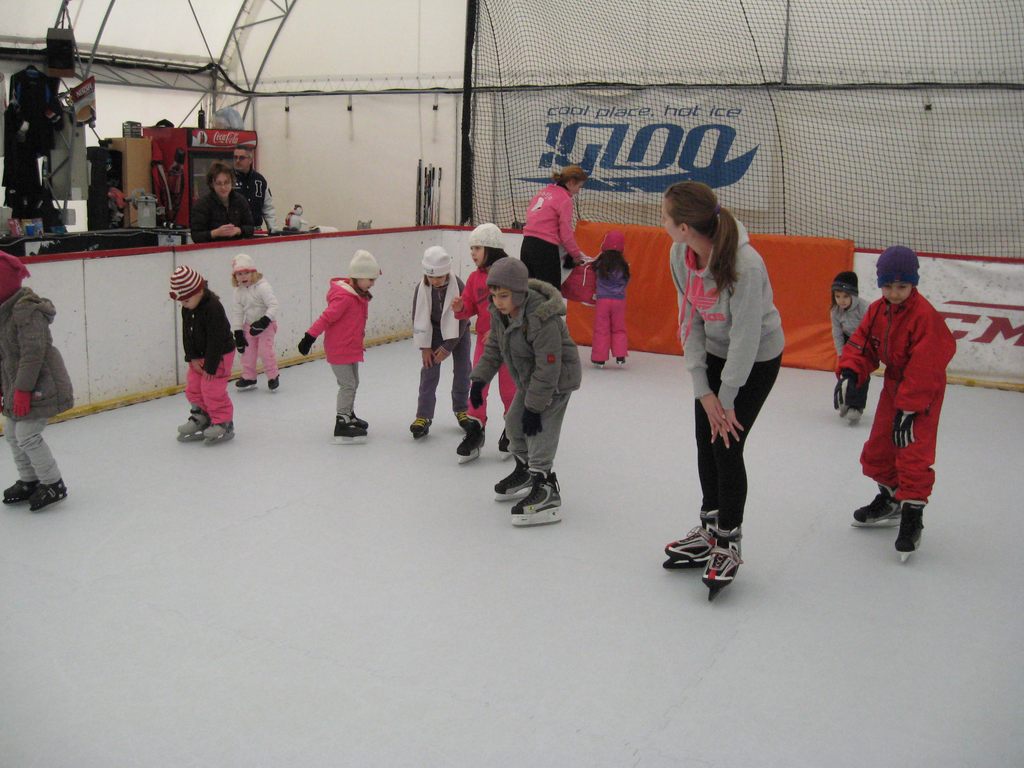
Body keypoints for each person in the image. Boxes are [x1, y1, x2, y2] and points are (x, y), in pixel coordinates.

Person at [660, 181, 785, 601]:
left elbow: (747, 338)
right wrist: (703, 389)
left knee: (726, 442)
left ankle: (729, 541)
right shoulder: (679, 254)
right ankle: (710, 526)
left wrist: (726, 398)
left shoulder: (745, 265)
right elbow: (689, 320)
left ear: (684, 227)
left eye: (665, 217)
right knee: (704, 437)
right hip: (715, 352)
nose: (661, 223)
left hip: (757, 358)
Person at [835, 246, 955, 562]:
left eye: (902, 286)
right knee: (879, 448)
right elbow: (861, 345)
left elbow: (928, 365)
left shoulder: (924, 317)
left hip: (922, 392)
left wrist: (911, 407)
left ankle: (913, 515)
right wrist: (849, 371)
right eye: (888, 286)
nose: (894, 293)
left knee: (912, 451)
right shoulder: (878, 310)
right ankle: (891, 500)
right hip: (893, 386)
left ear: (913, 283)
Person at [468, 258, 582, 527]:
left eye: (504, 296)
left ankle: (545, 486)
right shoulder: (501, 315)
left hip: (556, 381)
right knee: (513, 423)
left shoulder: (541, 318)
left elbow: (549, 367)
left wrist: (534, 408)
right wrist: (479, 381)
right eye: (494, 295)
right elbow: (493, 350)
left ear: (519, 293)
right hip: (530, 379)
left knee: (540, 430)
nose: (498, 301)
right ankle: (526, 470)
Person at [0, 251, 73, 511]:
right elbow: (4, 356)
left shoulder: (27, 312)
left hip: (42, 384)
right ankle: (29, 480)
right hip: (18, 385)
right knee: (12, 433)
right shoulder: (3, 313)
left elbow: (33, 355)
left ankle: (53, 483)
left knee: (27, 434)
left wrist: (21, 390)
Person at [297, 250, 381, 444]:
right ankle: (341, 422)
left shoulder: (358, 295)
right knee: (347, 384)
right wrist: (309, 337)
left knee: (354, 383)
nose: (373, 284)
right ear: (358, 277)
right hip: (339, 348)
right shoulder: (345, 297)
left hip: (351, 347)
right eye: (370, 279)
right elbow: (326, 318)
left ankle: (349, 415)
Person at [451, 223, 516, 460]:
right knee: (478, 387)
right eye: (471, 248)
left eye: (477, 248)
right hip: (485, 345)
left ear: (491, 248)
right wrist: (461, 308)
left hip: (510, 344)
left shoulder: (511, 275)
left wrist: (500, 331)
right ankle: (475, 431)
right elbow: (469, 307)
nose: (472, 253)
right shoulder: (474, 278)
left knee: (510, 390)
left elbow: (519, 309)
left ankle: (513, 431)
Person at [409, 246, 474, 454]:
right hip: (433, 332)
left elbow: (463, 317)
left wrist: (448, 347)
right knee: (429, 372)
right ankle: (423, 415)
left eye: (439, 277)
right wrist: (425, 347)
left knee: (463, 370)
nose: (435, 281)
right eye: (431, 277)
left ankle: (462, 409)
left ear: (447, 272)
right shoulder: (421, 288)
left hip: (459, 332)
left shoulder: (459, 285)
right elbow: (417, 316)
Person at [170, 265, 236, 444]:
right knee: (193, 386)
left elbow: (216, 339)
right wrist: (191, 357)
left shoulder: (213, 308)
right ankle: (202, 417)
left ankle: (223, 422)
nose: (183, 304)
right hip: (199, 356)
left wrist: (211, 366)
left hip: (219, 355)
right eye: (181, 301)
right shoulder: (187, 307)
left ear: (198, 291)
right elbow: (187, 334)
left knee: (211, 389)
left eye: (186, 300)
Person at [520, 165, 589, 290]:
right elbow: (566, 233)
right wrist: (576, 255)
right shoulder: (564, 199)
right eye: (579, 187)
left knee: (530, 292)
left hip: (526, 245)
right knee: (551, 293)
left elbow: (531, 215)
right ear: (571, 182)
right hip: (545, 250)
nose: (578, 191)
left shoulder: (543, 192)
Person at [229, 253, 281, 392]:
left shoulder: (262, 287)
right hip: (249, 325)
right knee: (247, 352)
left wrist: (264, 321)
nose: (243, 277)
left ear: (253, 273)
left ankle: (273, 376)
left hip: (267, 325)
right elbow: (238, 312)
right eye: (239, 274)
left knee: (265, 351)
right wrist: (238, 333)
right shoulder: (238, 292)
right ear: (235, 277)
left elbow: (274, 305)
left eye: (246, 273)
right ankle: (249, 377)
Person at [829, 270, 870, 423]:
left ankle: (856, 407)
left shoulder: (865, 308)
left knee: (860, 373)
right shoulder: (835, 311)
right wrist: (841, 353)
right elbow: (837, 333)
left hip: (864, 343)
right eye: (837, 296)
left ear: (854, 295)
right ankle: (846, 400)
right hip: (848, 342)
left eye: (846, 296)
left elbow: (871, 330)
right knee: (846, 372)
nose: (841, 301)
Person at [590, 229, 631, 368]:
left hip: (603, 300)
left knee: (601, 329)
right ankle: (620, 356)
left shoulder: (600, 264)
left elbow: (592, 272)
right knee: (619, 327)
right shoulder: (623, 266)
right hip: (619, 300)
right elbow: (626, 281)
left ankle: (599, 359)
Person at [190, 161, 254, 243]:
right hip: (212, 248)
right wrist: (215, 233)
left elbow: (250, 228)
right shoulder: (202, 205)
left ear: (232, 182)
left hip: (237, 247)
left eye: (226, 183)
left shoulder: (240, 200)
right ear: (212, 184)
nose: (223, 187)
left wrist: (238, 230)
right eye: (219, 183)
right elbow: (196, 236)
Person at [232, 145, 277, 232]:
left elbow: (268, 209)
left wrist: (273, 230)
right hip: (235, 231)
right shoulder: (227, 179)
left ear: (250, 160)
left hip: (256, 231)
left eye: (241, 158)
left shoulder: (260, 180)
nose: (237, 160)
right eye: (235, 157)